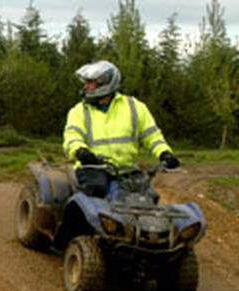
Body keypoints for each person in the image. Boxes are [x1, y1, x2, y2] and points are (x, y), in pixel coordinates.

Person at [63, 60, 180, 201]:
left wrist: (164, 153)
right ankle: (77, 222)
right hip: (93, 168)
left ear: (105, 84)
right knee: (94, 195)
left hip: (127, 170)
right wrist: (80, 151)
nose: (85, 87)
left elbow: (152, 136)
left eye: (90, 83)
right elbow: (72, 136)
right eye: (86, 82)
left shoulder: (134, 106)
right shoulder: (79, 111)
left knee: (149, 197)